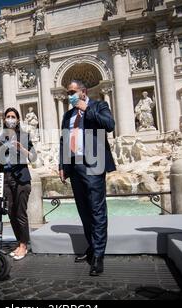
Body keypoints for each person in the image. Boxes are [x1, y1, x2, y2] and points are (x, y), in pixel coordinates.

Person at [59, 80, 116, 276]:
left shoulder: (99, 105)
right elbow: (63, 141)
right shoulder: (67, 115)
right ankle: (92, 247)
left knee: (97, 210)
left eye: (73, 92)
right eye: (68, 93)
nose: (70, 96)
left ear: (83, 92)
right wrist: (62, 166)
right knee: (84, 210)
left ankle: (99, 255)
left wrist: (87, 108)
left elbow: (109, 125)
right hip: (74, 166)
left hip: (94, 163)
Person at [0, 107, 37, 260]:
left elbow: (33, 157)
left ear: (18, 120)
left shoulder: (24, 136)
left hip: (21, 179)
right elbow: (1, 160)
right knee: (11, 213)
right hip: (6, 178)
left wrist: (22, 149)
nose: (10, 119)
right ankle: (20, 242)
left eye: (13, 116)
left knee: (20, 213)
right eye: (8, 116)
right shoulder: (1, 137)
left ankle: (23, 246)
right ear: (4, 119)